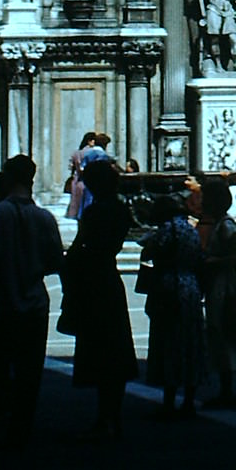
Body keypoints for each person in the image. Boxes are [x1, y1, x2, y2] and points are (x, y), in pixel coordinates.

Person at [0, 154, 64, 447]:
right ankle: (21, 428)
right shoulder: (44, 218)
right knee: (29, 372)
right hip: (33, 303)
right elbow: (54, 261)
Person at [62, 156, 137, 440]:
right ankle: (111, 414)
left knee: (101, 347)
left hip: (94, 280)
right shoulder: (120, 209)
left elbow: (83, 243)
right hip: (109, 277)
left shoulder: (96, 212)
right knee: (114, 349)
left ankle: (105, 414)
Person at [142, 194, 206, 420]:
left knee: (168, 342)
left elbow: (150, 253)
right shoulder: (190, 229)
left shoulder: (163, 232)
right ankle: (189, 398)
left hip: (167, 286)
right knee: (190, 342)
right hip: (189, 287)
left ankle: (169, 398)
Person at [200, 178, 236, 408]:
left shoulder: (226, 225)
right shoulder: (217, 223)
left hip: (226, 285)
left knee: (224, 332)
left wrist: (217, 261)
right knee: (222, 333)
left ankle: (231, 387)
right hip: (220, 283)